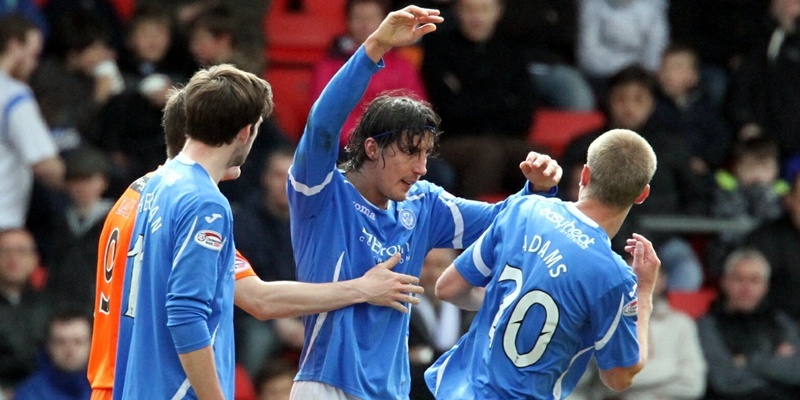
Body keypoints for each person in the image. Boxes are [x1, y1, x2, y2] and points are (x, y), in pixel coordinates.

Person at [288, 5, 561, 399]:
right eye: (410, 152)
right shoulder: (321, 193)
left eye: (426, 155)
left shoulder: (424, 204)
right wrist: (375, 47)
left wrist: (537, 189)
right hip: (327, 385)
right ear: (371, 147)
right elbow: (323, 123)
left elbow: (506, 221)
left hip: (394, 391)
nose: (421, 168)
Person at [97, 77, 423, 400]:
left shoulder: (145, 190)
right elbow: (187, 315)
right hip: (168, 386)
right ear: (245, 132)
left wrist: (361, 289)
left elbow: (258, 297)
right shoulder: (202, 204)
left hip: (119, 379)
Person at [425, 129, 661, 399]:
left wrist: (503, 302)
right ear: (642, 194)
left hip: (454, 390)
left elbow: (448, 288)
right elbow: (619, 376)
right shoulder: (615, 276)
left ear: (584, 174)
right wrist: (644, 292)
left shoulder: (525, 209)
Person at [421, 0, 539, 199]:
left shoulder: (512, 49)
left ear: (498, 12)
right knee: (488, 154)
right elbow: (443, 110)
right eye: (469, 9)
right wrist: (499, 104)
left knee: (538, 158)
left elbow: (524, 112)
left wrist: (472, 102)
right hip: (451, 141)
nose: (477, 17)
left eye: (484, 9)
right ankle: (470, 223)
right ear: (457, 11)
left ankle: (541, 223)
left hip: (505, 138)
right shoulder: (439, 47)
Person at [698, 248, 800, 399]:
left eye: (754, 280)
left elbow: (796, 371)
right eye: (738, 279)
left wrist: (749, 361)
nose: (746, 288)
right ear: (724, 282)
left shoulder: (782, 323)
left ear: (765, 286)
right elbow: (724, 380)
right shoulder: (707, 326)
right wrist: (774, 362)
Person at [0, 13, 64, 231]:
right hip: (4, 223)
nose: (33, 65)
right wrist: (81, 181)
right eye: (33, 55)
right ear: (14, 46)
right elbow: (44, 163)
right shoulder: (13, 95)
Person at [0, 228, 52, 396]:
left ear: (35, 259)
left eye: (21, 251)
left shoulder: (52, 305)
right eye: (5, 251)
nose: (13, 259)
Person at [12, 309, 92, 400]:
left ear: (91, 344)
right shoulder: (30, 393)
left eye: (78, 342)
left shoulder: (104, 387)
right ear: (48, 345)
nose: (69, 350)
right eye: (61, 342)